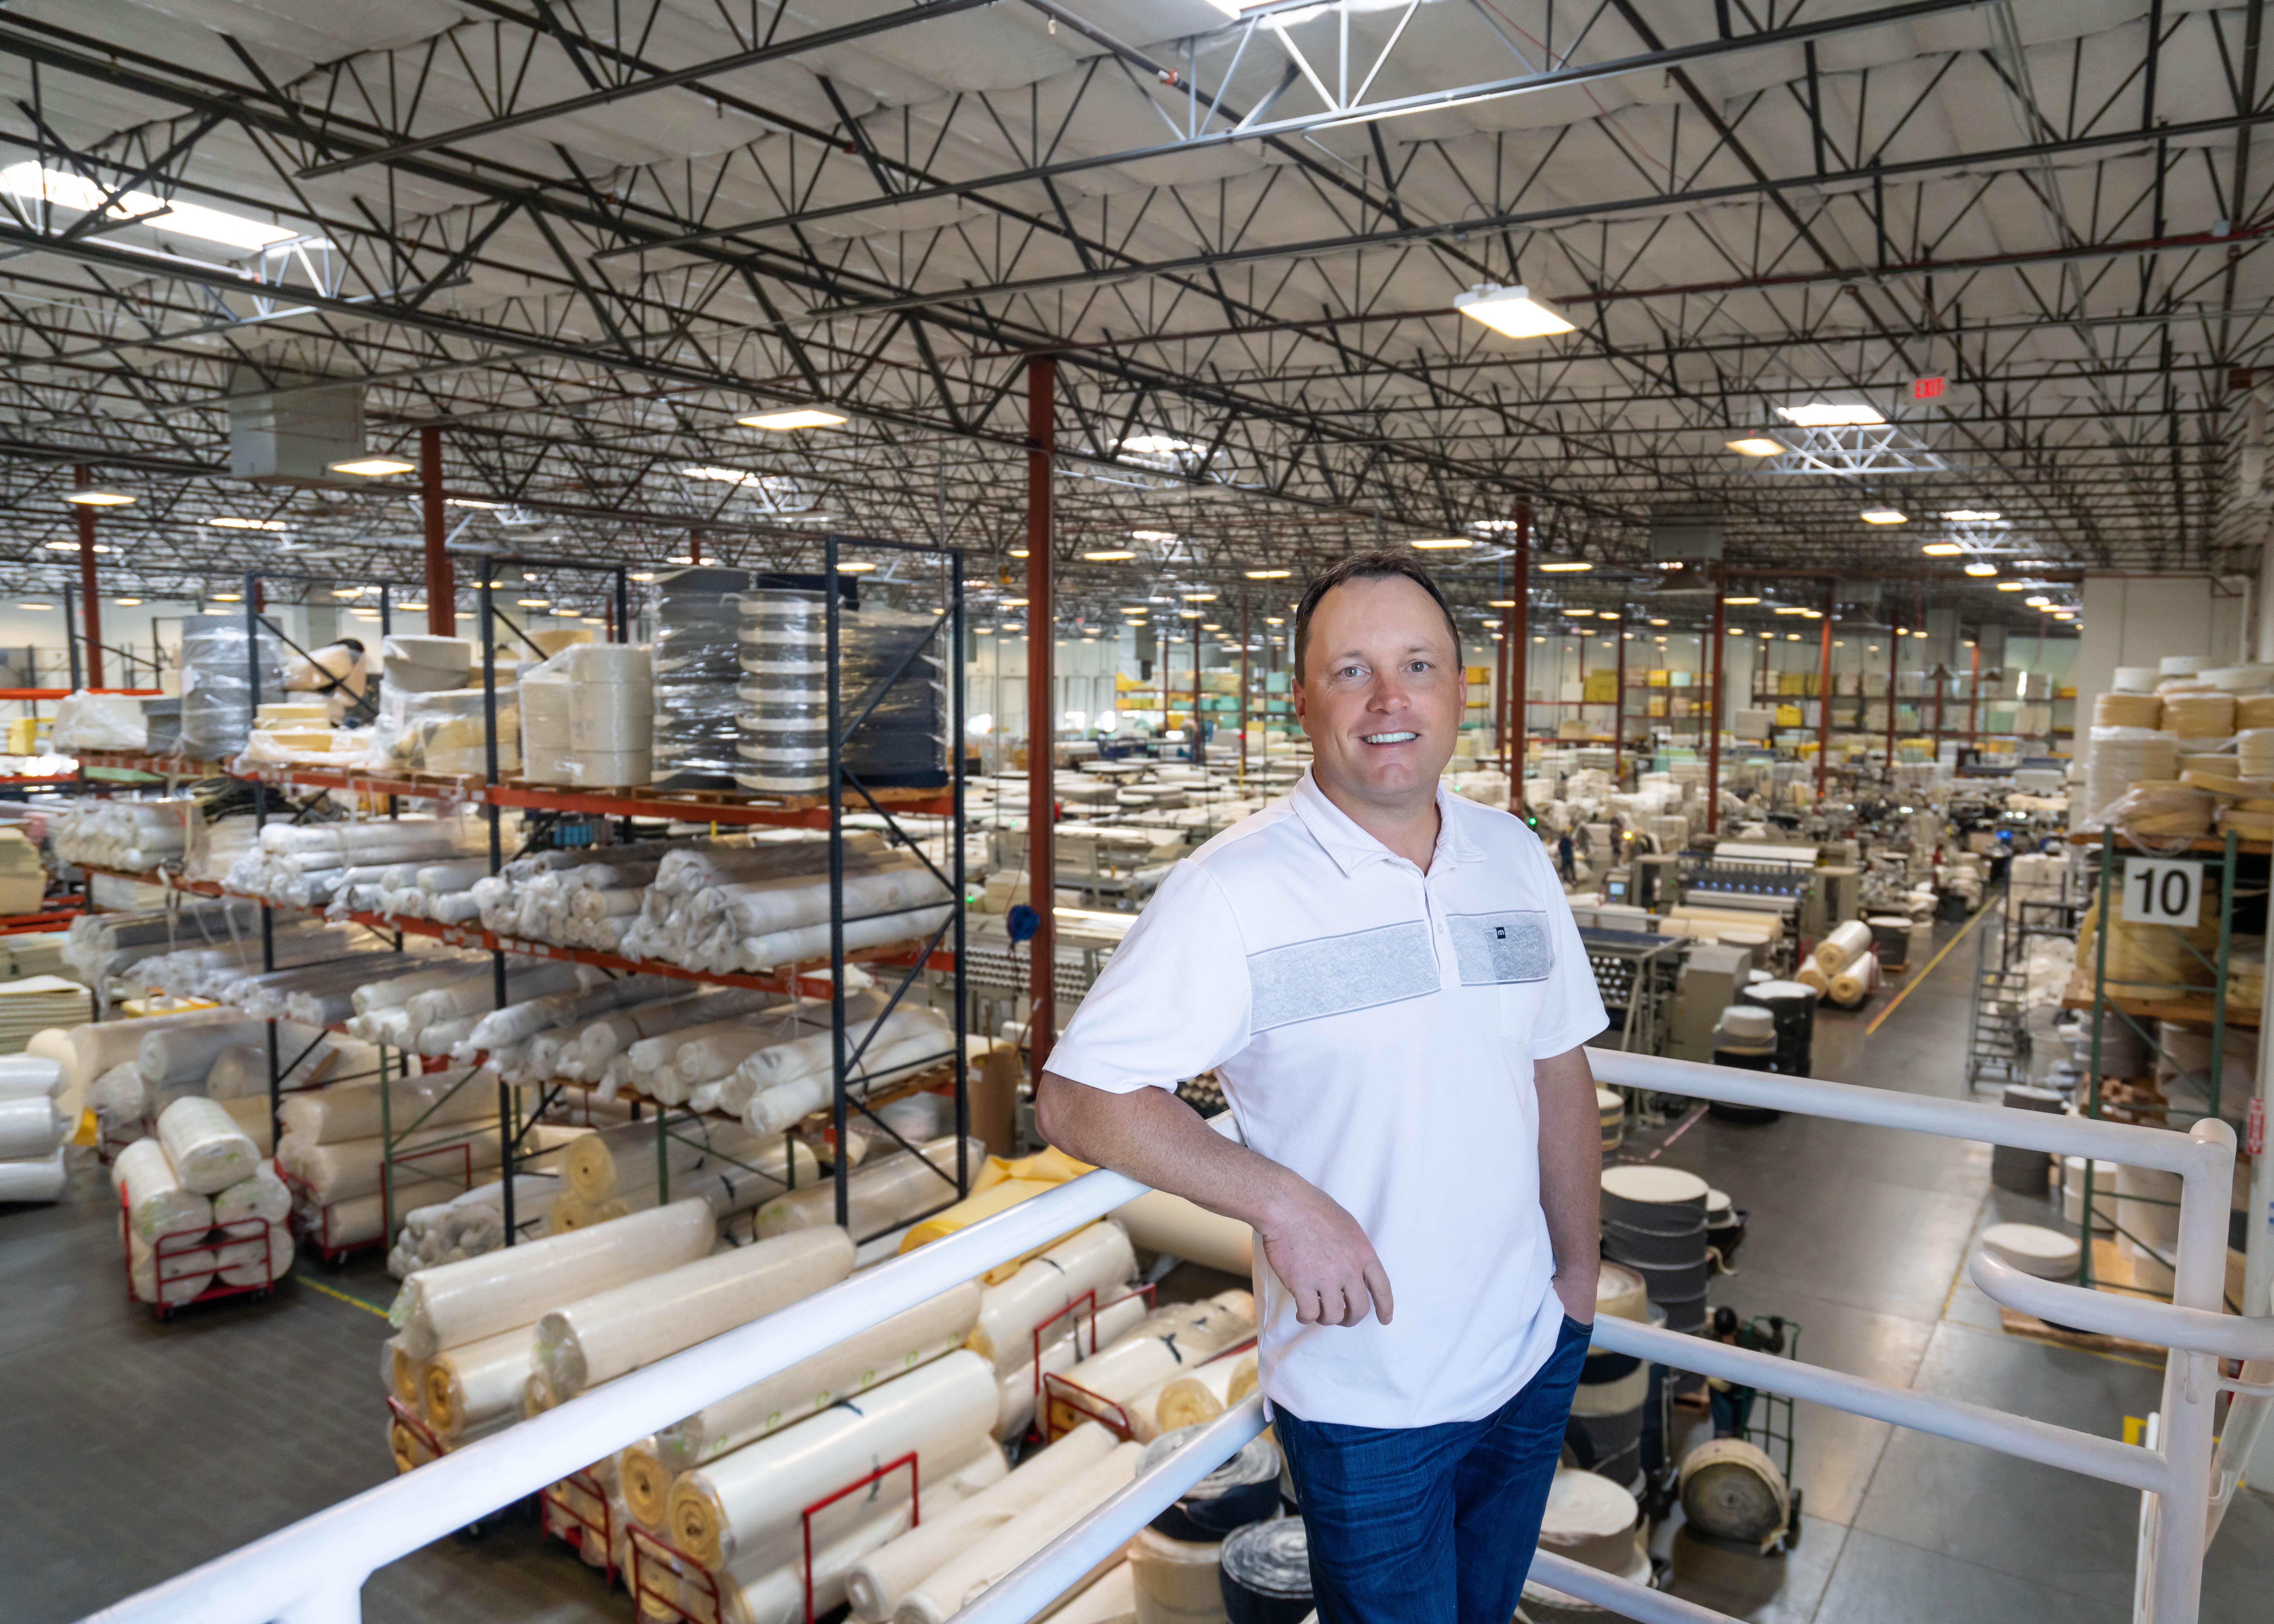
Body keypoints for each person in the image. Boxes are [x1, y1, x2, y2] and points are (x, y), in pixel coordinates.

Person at [1037, 550, 1609, 1624]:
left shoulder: (1510, 855)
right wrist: (1278, 1199)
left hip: (1530, 1350)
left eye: (1418, 666)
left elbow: (1557, 1063)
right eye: (1351, 670)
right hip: (1369, 1394)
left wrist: (1576, 1277)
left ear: (1457, 690)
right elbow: (1078, 1098)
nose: (1390, 700)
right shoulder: (1232, 892)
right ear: (1301, 698)